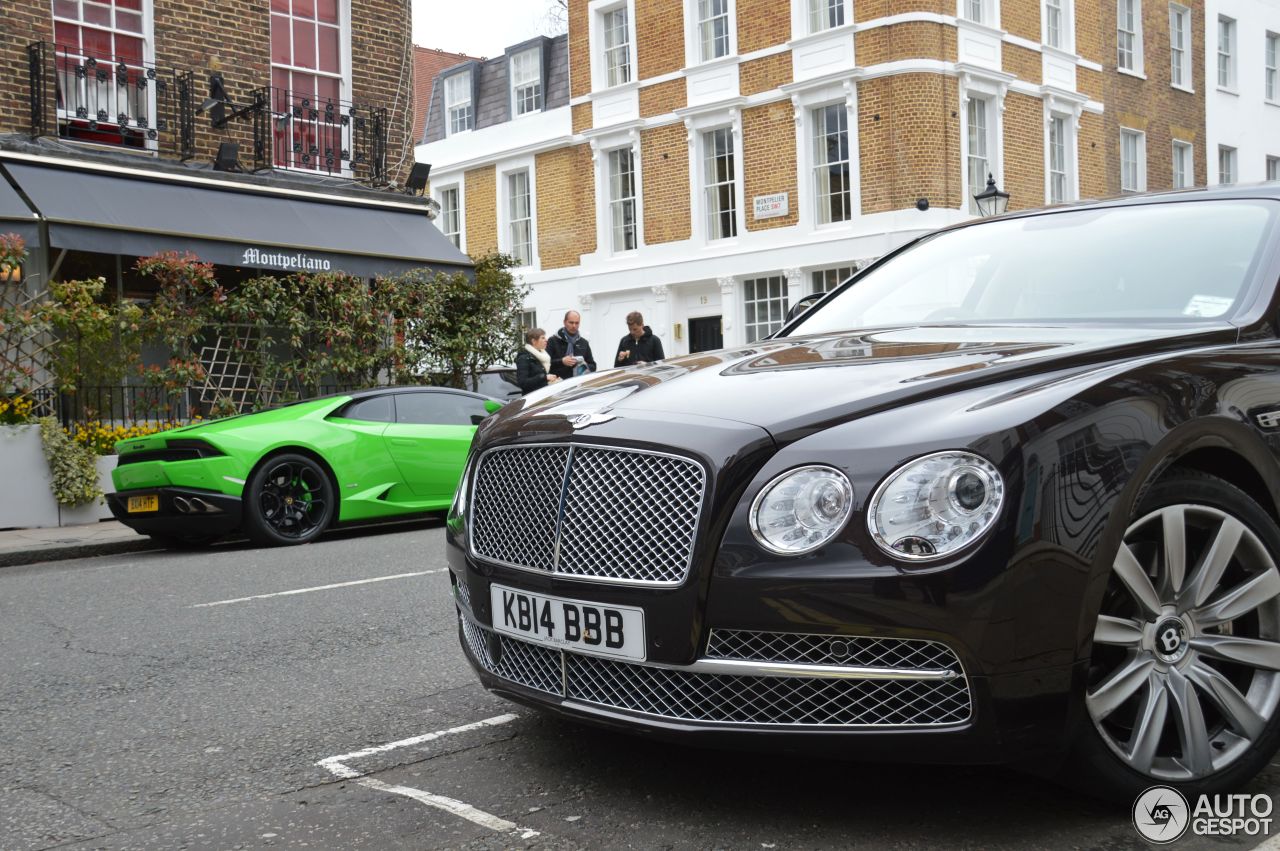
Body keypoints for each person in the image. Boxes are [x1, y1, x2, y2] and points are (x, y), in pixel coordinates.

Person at [546, 310, 596, 381]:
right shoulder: (553, 340)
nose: (574, 326)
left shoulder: (584, 342)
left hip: (578, 383)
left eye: (577, 323)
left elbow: (593, 365)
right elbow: (545, 364)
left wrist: (583, 365)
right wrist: (562, 361)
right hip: (558, 384)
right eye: (571, 322)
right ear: (564, 322)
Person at [515, 328, 561, 395]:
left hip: (543, 396)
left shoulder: (542, 356)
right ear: (534, 341)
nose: (546, 340)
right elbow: (523, 383)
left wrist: (552, 379)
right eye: (542, 338)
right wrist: (544, 377)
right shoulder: (524, 358)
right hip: (532, 399)